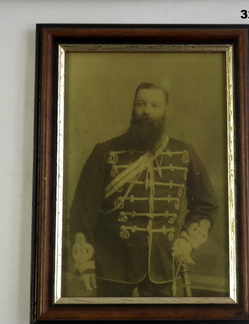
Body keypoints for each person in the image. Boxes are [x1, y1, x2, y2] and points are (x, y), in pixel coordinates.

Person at [69, 82, 218, 297]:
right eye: (141, 104)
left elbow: (206, 205)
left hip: (163, 262)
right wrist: (85, 264)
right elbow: (83, 210)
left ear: (166, 110)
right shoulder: (105, 152)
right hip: (112, 263)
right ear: (133, 107)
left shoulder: (184, 153)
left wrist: (187, 241)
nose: (147, 110)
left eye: (154, 105)